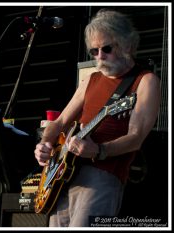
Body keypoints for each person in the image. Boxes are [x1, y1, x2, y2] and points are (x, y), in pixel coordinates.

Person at [34, 9, 161, 227]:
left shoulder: (145, 80)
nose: (100, 57)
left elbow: (137, 136)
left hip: (103, 177)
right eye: (94, 51)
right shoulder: (91, 80)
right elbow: (60, 122)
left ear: (127, 45)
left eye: (107, 49)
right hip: (63, 177)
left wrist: (100, 150)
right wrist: (45, 144)